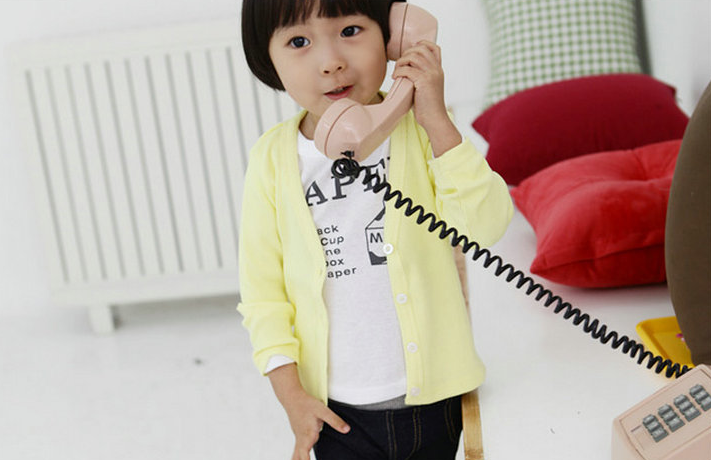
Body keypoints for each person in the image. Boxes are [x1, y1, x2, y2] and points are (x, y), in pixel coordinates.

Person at [237, 1, 513, 458]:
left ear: (393, 35)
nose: (331, 62)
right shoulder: (271, 160)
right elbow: (262, 294)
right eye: (299, 41)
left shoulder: (423, 131)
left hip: (438, 402)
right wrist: (291, 397)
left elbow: (484, 226)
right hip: (338, 415)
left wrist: (436, 120)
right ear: (267, 58)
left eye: (349, 30)